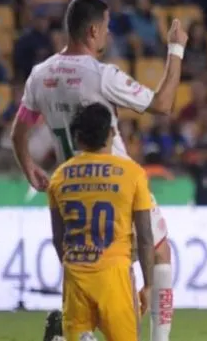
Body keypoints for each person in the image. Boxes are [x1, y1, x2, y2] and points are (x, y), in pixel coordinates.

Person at [11, 0, 187, 341]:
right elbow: (163, 104)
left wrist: (28, 165)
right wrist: (176, 50)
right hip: (117, 182)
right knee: (159, 250)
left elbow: (20, 131)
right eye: (106, 28)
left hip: (73, 186)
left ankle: (73, 329)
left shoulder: (40, 74)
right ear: (93, 30)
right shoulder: (101, 74)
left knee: (113, 270)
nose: (107, 35)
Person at [46, 103, 155, 340]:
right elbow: (146, 237)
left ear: (77, 137)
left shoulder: (59, 176)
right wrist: (148, 285)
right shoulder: (132, 173)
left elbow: (58, 238)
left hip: (76, 274)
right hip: (114, 275)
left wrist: (72, 268)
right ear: (111, 133)